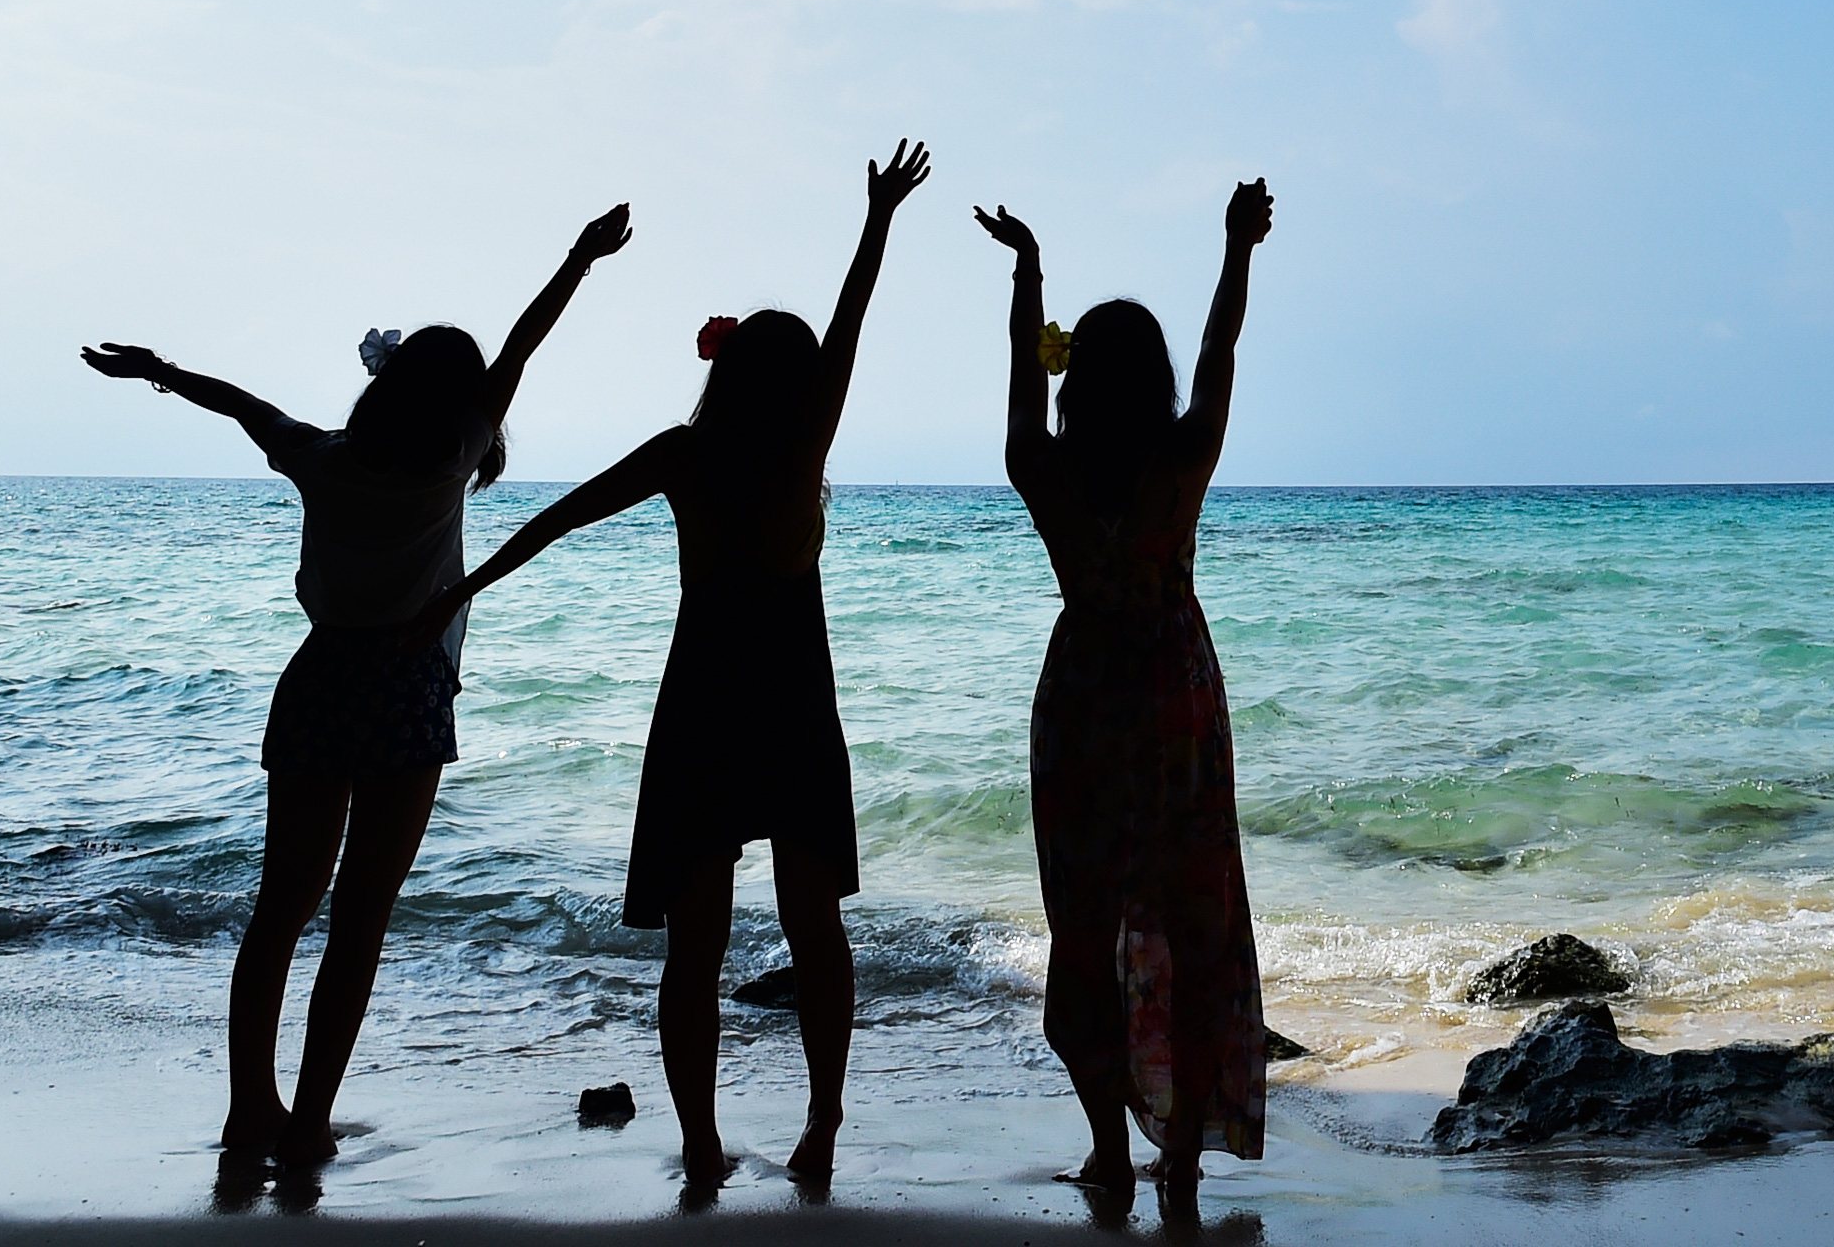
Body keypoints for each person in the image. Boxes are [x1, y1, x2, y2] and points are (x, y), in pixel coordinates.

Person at [403, 141, 930, 1188]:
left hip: (703, 705)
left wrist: (462, 590)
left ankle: (701, 1139)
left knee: (696, 943)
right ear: (797, 384)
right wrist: (878, 218)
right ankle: (821, 1121)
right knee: (813, 924)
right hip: (792, 703)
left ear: (723, 375)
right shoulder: (801, 449)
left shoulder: (684, 453)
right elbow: (853, 323)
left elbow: (555, 519)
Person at [79, 204, 635, 1164]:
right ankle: (308, 1120)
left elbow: (238, 401)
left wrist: (155, 370)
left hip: (319, 679)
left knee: (278, 910)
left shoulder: (321, 457)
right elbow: (522, 347)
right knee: (360, 919)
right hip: (405, 693)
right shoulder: (456, 459)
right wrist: (581, 257)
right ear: (462, 408)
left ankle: (246, 1107)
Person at [972, 177, 1273, 1214]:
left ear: (1076, 381)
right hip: (1174, 696)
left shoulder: (1039, 467)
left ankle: (1108, 1142)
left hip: (1081, 701)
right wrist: (1235, 248)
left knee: (1081, 933)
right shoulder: (1182, 457)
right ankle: (1179, 1158)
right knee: (1189, 932)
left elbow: (1018, 382)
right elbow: (1221, 354)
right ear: (1151, 382)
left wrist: (1027, 270)